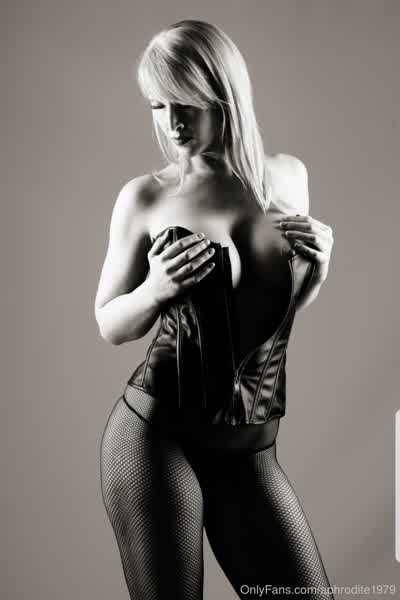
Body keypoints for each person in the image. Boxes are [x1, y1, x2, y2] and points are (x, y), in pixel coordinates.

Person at [95, 19, 335, 600]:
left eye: (186, 103)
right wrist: (154, 290)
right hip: (156, 440)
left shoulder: (288, 177)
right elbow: (108, 323)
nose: (172, 123)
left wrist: (320, 268)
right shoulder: (146, 197)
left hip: (251, 452)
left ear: (223, 96)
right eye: (158, 106)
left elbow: (280, 311)